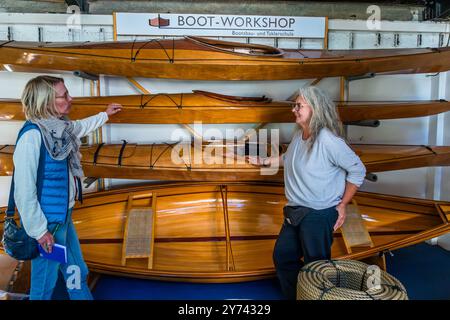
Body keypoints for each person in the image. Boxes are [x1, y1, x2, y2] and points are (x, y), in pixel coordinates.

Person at [248, 86, 366, 300]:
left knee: (316, 267)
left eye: (298, 105)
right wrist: (264, 161)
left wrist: (343, 205)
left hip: (318, 214)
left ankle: (315, 296)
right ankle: (300, 296)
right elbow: (288, 157)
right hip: (295, 210)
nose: (294, 109)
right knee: (283, 257)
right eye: (295, 105)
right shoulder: (300, 135)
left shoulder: (328, 140)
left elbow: (358, 170)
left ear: (315, 109)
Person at [12, 75, 122, 300]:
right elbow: (24, 193)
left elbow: (81, 127)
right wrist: (40, 232)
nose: (71, 99)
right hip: (48, 225)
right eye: (64, 96)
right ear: (47, 102)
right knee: (44, 285)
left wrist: (105, 115)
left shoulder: (60, 129)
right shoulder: (32, 137)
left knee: (76, 271)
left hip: (63, 218)